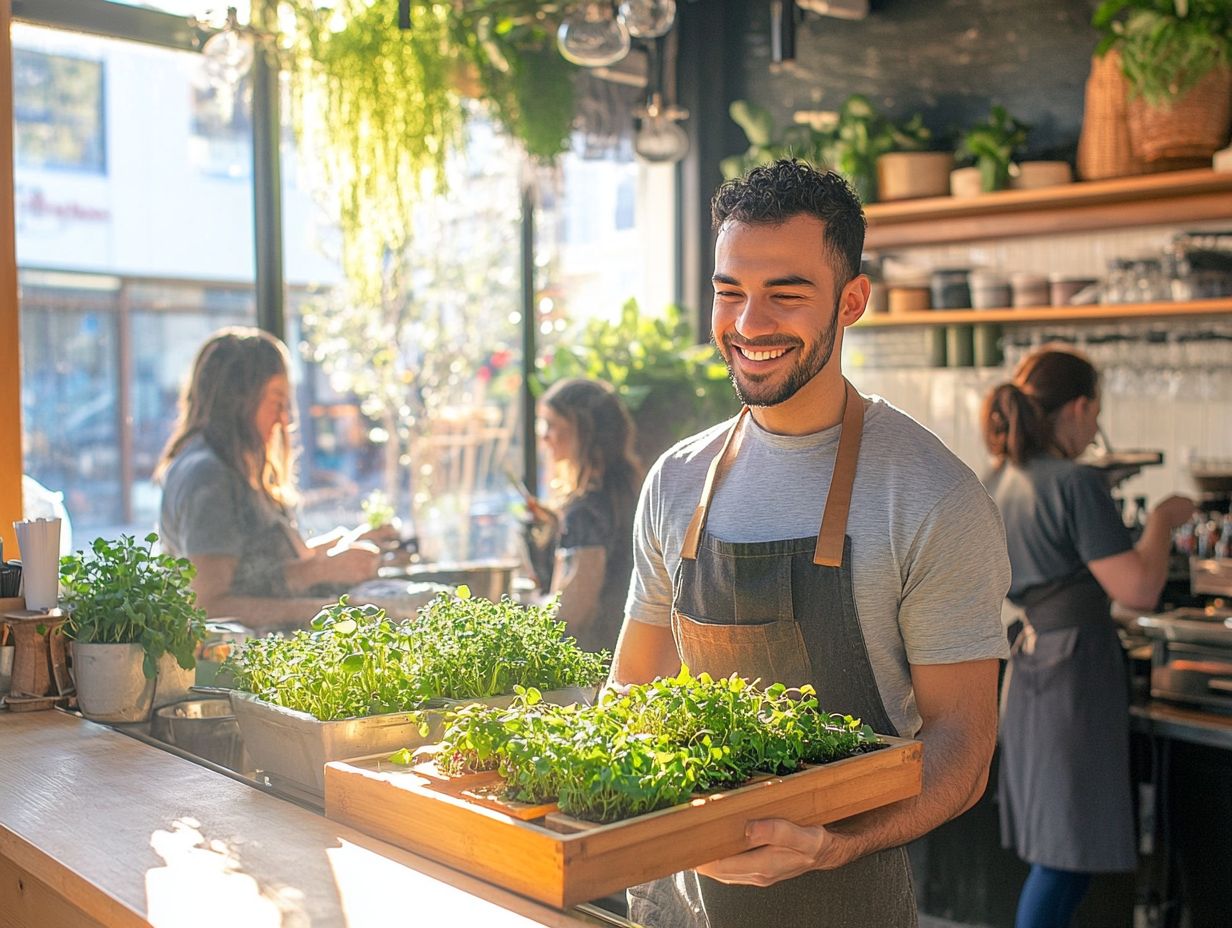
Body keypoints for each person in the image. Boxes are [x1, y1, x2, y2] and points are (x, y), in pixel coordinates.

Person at [613, 159, 1012, 928]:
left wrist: (826, 844)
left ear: (851, 300)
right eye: (731, 292)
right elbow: (632, 689)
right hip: (673, 903)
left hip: (843, 899)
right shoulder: (675, 481)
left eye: (786, 295)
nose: (750, 323)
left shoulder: (931, 496)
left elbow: (963, 747)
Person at [982, 347, 1194, 928]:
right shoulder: (1077, 482)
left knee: (1052, 849)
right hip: (1074, 672)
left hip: (1028, 667)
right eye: (1096, 413)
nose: (1097, 429)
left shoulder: (998, 477)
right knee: (1065, 859)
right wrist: (1162, 522)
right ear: (1077, 408)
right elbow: (1139, 590)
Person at [156, 327, 391, 629]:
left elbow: (255, 571)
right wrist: (332, 606)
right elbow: (210, 606)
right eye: (277, 402)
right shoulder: (208, 477)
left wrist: (342, 546)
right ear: (239, 401)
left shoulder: (234, 465)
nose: (283, 419)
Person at [524, 378, 642, 653]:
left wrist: (529, 605)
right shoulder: (624, 492)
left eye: (553, 425)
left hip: (596, 665)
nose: (544, 435)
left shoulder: (585, 513)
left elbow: (570, 615)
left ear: (585, 432)